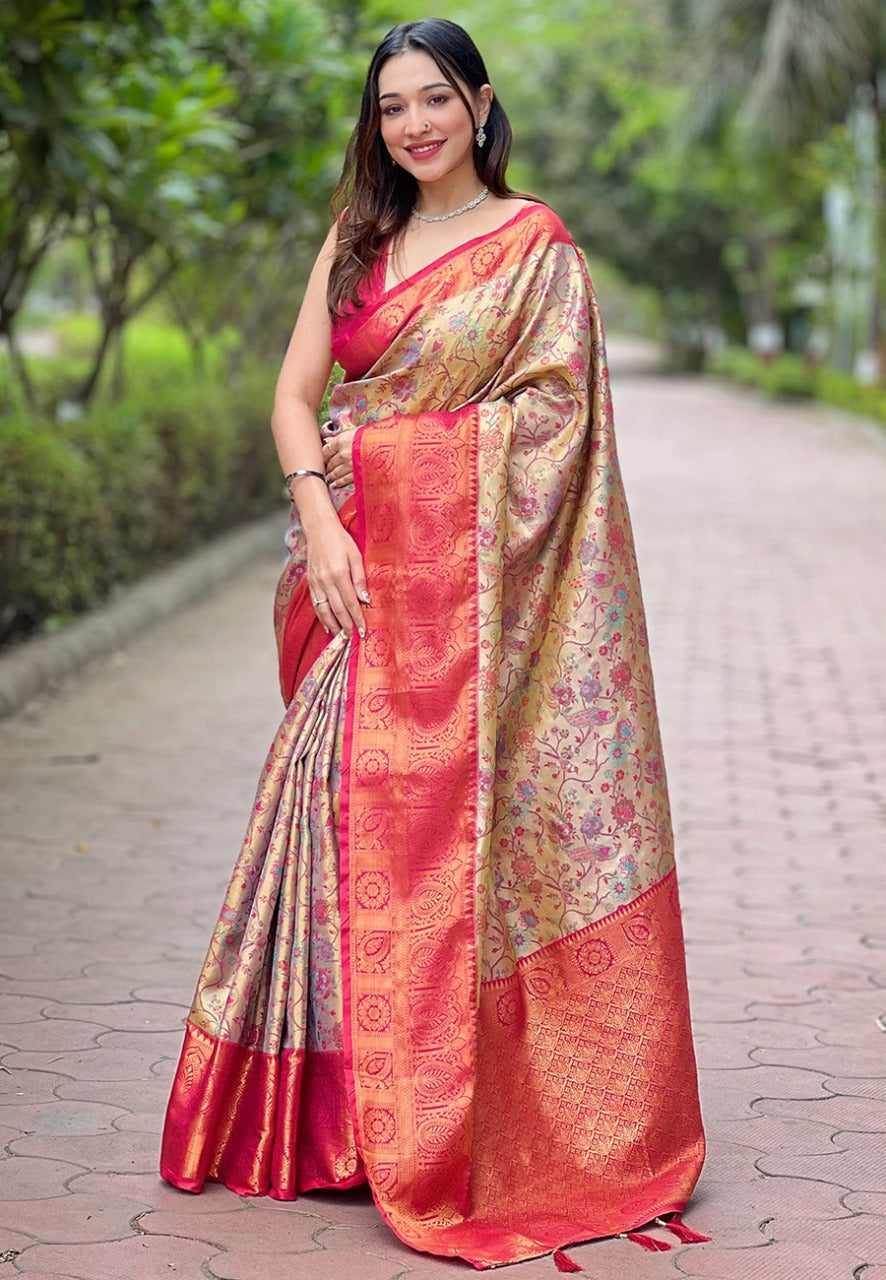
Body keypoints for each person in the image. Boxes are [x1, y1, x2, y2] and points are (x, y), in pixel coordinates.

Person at [160, 17, 706, 1270]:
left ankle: (451, 1115)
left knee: (448, 847)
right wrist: (320, 511)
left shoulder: (534, 249)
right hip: (355, 575)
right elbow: (294, 395)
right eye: (393, 105)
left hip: (469, 603)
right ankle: (332, 1120)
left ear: (481, 104)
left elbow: (557, 424)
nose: (413, 124)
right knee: (327, 817)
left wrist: (385, 455)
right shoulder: (358, 240)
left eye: (435, 99)